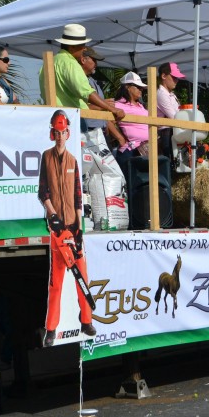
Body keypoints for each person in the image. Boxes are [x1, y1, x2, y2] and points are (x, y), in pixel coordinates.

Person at [38, 110, 96, 342]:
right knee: (56, 283)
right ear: (52, 133)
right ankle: (51, 329)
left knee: (82, 277)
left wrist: (79, 226)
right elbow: (43, 191)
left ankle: (87, 321)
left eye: (63, 132)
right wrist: (52, 215)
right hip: (57, 230)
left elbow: (78, 195)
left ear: (68, 133)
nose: (60, 136)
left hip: (73, 227)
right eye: (57, 132)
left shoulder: (73, 160)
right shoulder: (46, 157)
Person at [42, 24, 124, 129]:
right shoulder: (70, 63)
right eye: (82, 45)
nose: (84, 49)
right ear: (72, 46)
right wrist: (111, 108)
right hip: (71, 120)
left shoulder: (51, 62)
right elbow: (86, 92)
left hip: (54, 119)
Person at [80, 47, 127, 149]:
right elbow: (77, 107)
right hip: (88, 131)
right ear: (83, 60)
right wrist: (103, 106)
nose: (96, 64)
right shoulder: (78, 81)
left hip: (101, 131)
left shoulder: (92, 80)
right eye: (94, 60)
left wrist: (118, 136)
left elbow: (103, 110)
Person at [113, 71, 151, 169]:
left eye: (141, 88)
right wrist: (120, 138)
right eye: (137, 87)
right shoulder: (117, 105)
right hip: (130, 150)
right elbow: (106, 120)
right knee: (131, 181)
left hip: (144, 149)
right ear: (127, 87)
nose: (140, 90)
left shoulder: (141, 106)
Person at [156, 61, 186, 155]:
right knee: (170, 163)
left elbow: (178, 114)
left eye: (177, 78)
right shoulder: (161, 94)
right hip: (166, 133)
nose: (176, 80)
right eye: (174, 77)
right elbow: (174, 117)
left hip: (173, 132)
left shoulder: (171, 94)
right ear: (163, 76)